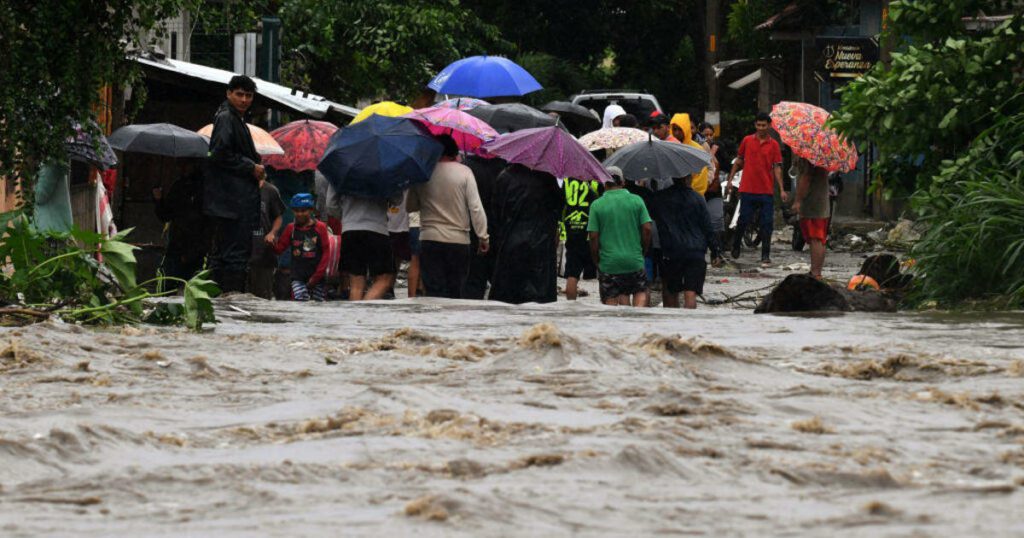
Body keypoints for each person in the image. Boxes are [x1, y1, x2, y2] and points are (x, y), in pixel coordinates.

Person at [406, 135, 488, 299]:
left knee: (434, 293)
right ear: (454, 152)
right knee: (455, 293)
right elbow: (476, 208)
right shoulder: (465, 172)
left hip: (429, 239)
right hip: (458, 242)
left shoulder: (424, 173)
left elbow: (411, 207)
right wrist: (483, 237)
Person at [204, 74, 264, 293]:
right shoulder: (227, 118)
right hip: (232, 203)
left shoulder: (236, 120)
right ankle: (230, 300)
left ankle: (220, 300)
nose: (244, 100)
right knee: (233, 256)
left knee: (225, 255)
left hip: (233, 201)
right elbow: (219, 154)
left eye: (249, 95)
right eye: (239, 94)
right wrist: (250, 167)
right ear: (229, 94)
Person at [489, 164, 563, 304]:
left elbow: (495, 213)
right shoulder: (549, 179)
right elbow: (558, 210)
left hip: (510, 244)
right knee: (539, 305)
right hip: (541, 247)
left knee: (506, 301)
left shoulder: (505, 176)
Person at [726, 112, 788, 266]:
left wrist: (781, 189)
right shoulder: (747, 141)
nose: (761, 128)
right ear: (755, 125)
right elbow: (739, 160)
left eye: (764, 125)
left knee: (767, 223)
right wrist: (730, 180)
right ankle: (736, 244)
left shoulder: (774, 145)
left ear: (769, 126)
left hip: (766, 190)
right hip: (747, 188)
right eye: (758, 125)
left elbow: (777, 167)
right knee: (743, 220)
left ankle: (765, 254)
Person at [587, 166, 652, 307]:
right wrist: (643, 251)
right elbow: (647, 228)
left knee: (611, 299)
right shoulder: (637, 200)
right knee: (640, 290)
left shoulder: (597, 205)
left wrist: (596, 260)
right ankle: (638, 321)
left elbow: (593, 237)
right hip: (634, 260)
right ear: (623, 182)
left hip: (609, 263)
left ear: (604, 183)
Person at [649, 175, 717, 309]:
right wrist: (715, 250)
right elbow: (708, 226)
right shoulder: (698, 198)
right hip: (696, 251)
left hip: (671, 251)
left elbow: (652, 217)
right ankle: (689, 325)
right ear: (689, 179)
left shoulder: (660, 198)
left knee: (671, 290)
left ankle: (671, 323)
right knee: (690, 291)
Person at [153, 160, 209, 284]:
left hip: (196, 246)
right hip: (177, 246)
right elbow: (166, 215)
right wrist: (159, 200)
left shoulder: (204, 188)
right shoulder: (178, 186)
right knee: (170, 282)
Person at [339, 189, 400, 301]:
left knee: (356, 283)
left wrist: (347, 217)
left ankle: (355, 315)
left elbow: (330, 204)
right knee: (384, 279)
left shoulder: (341, 172)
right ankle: (365, 309)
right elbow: (397, 200)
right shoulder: (383, 172)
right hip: (377, 229)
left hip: (350, 230)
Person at [462, 154, 506, 299]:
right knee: (498, 277)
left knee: (473, 276)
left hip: (472, 227)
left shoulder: (468, 166)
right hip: (498, 227)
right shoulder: (503, 168)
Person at [273, 193, 330, 301]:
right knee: (299, 304)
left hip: (318, 278)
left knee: (319, 307)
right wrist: (271, 241)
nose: (300, 214)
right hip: (298, 277)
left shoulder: (320, 227)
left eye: (303, 211)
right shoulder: (291, 228)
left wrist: (316, 276)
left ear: (311, 210)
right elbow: (279, 249)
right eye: (296, 211)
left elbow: (326, 253)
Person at [561, 176, 602, 300]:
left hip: (572, 229)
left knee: (572, 274)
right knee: (599, 273)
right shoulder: (594, 181)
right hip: (591, 230)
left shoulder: (566, 181)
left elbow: (561, 204)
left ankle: (571, 306)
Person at [791, 158, 830, 279]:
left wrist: (797, 201)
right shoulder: (822, 158)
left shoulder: (809, 159)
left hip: (813, 204)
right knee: (819, 239)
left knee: (815, 239)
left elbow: (805, 179)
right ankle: (816, 271)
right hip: (822, 203)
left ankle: (815, 272)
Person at [248, 177, 286, 299]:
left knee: (263, 294)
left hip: (264, 250)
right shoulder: (240, 187)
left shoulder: (270, 190)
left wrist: (272, 233)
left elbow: (278, 217)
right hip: (243, 249)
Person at [698, 122, 726, 266]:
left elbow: (726, 164)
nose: (708, 138)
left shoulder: (718, 148)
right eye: (705, 135)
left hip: (714, 191)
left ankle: (717, 254)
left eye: (711, 134)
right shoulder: (695, 148)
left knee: (716, 221)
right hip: (699, 191)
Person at [669, 114, 710, 195]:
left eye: (680, 129)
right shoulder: (667, 148)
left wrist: (687, 195)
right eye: (674, 129)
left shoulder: (697, 150)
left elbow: (700, 181)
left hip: (692, 198)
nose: (676, 133)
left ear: (686, 129)